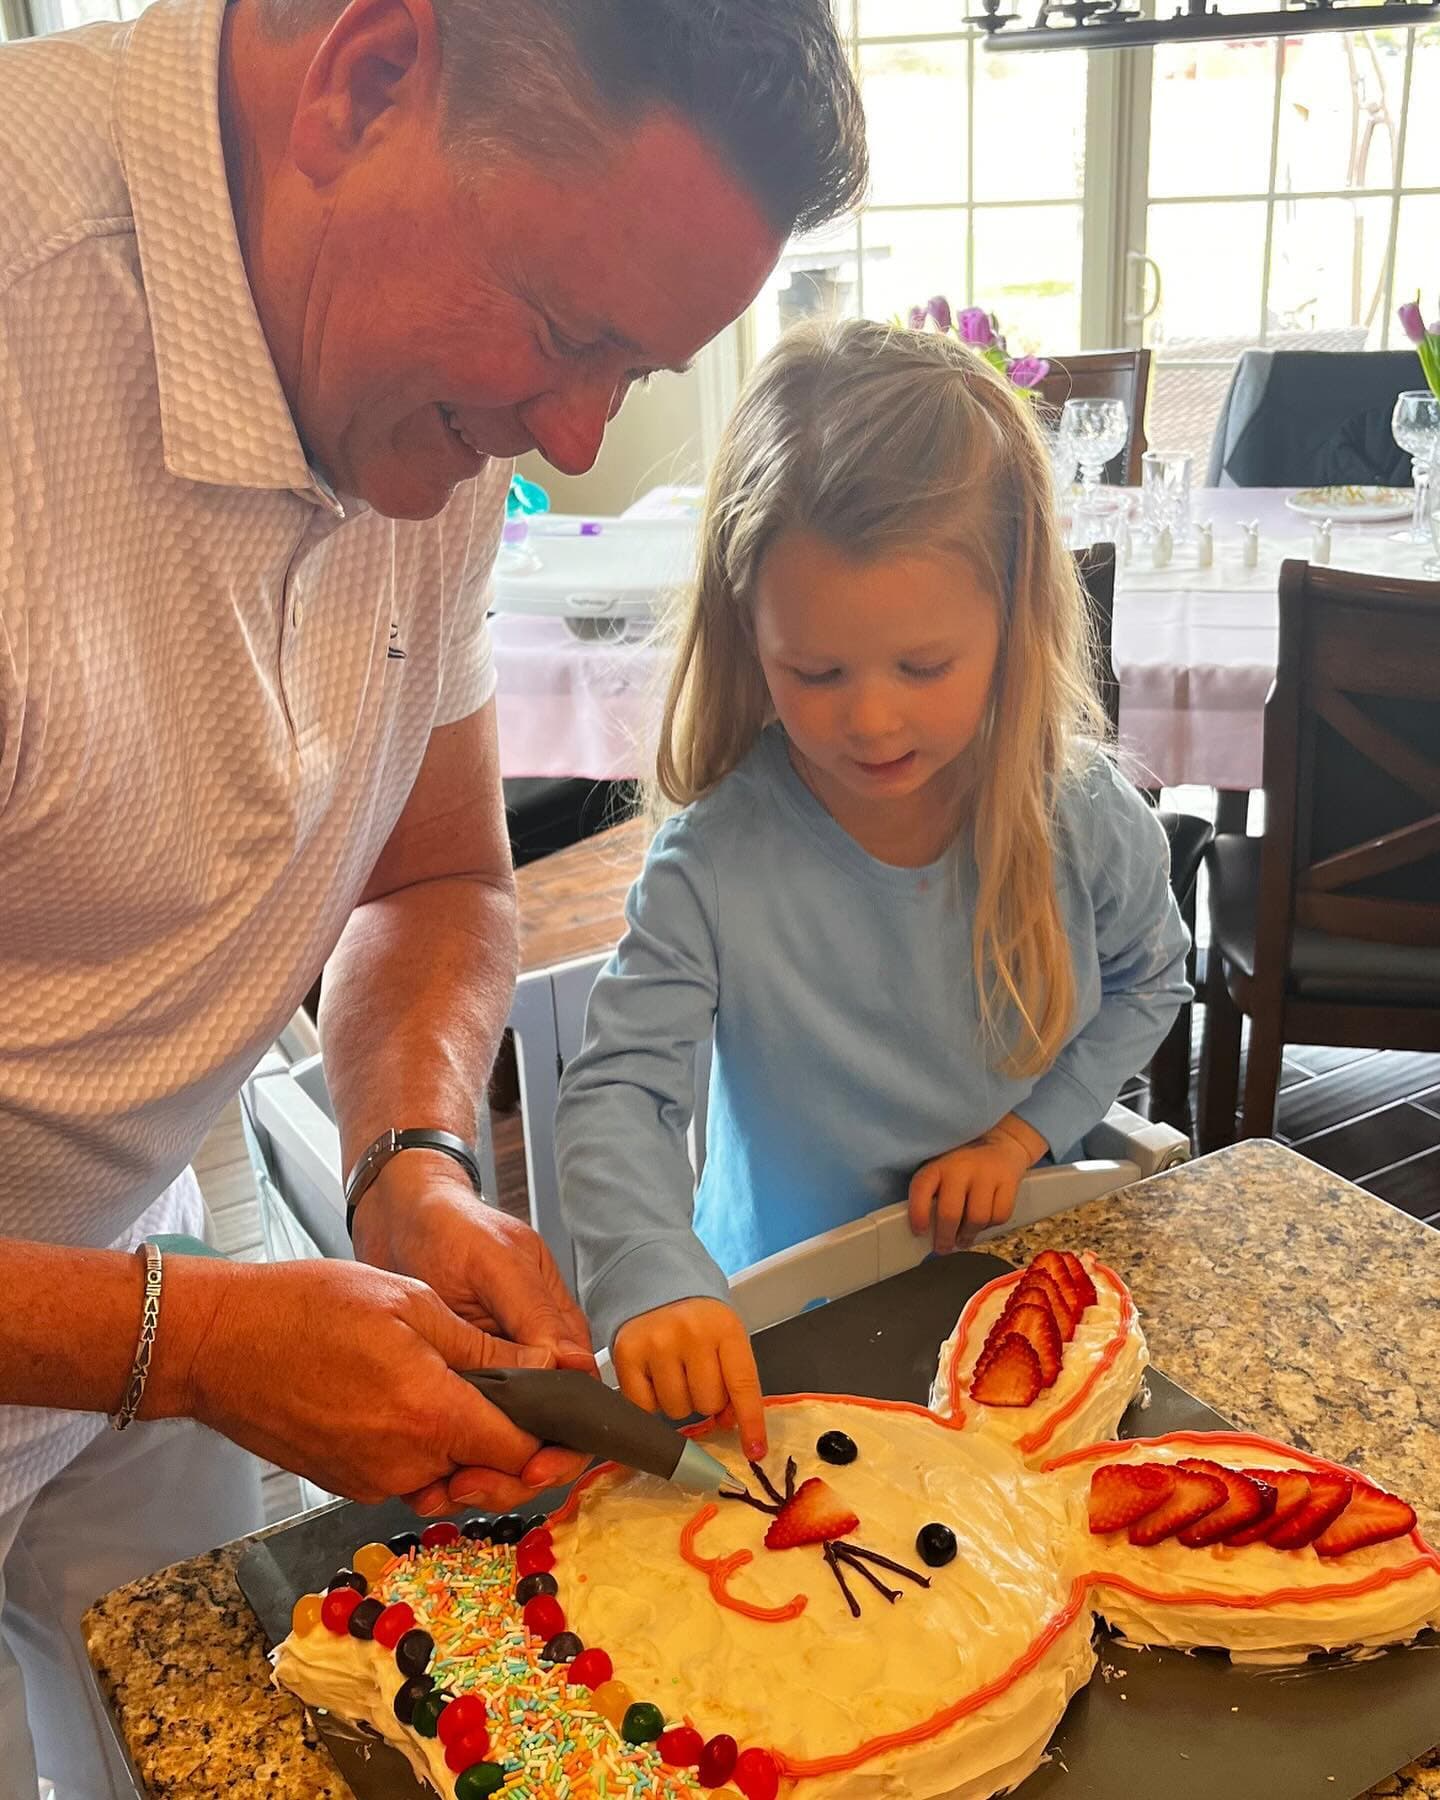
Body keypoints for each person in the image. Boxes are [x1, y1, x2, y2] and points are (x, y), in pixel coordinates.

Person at [0, 0, 866, 1791]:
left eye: (627, 370)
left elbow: (438, 870)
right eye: (566, 335)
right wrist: (194, 1337)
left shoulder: (415, 388)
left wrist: (409, 1168)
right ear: (367, 78)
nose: (564, 434)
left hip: (137, 1232)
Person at [556, 319, 1190, 1464]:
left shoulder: (1081, 812)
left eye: (923, 666)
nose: (873, 719)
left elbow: (1154, 979)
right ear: (748, 636)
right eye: (818, 671)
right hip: (778, 1323)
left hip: (1016, 1300)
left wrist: (1020, 1136)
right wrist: (651, 1275)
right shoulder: (716, 858)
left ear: (1014, 615)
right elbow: (618, 1093)